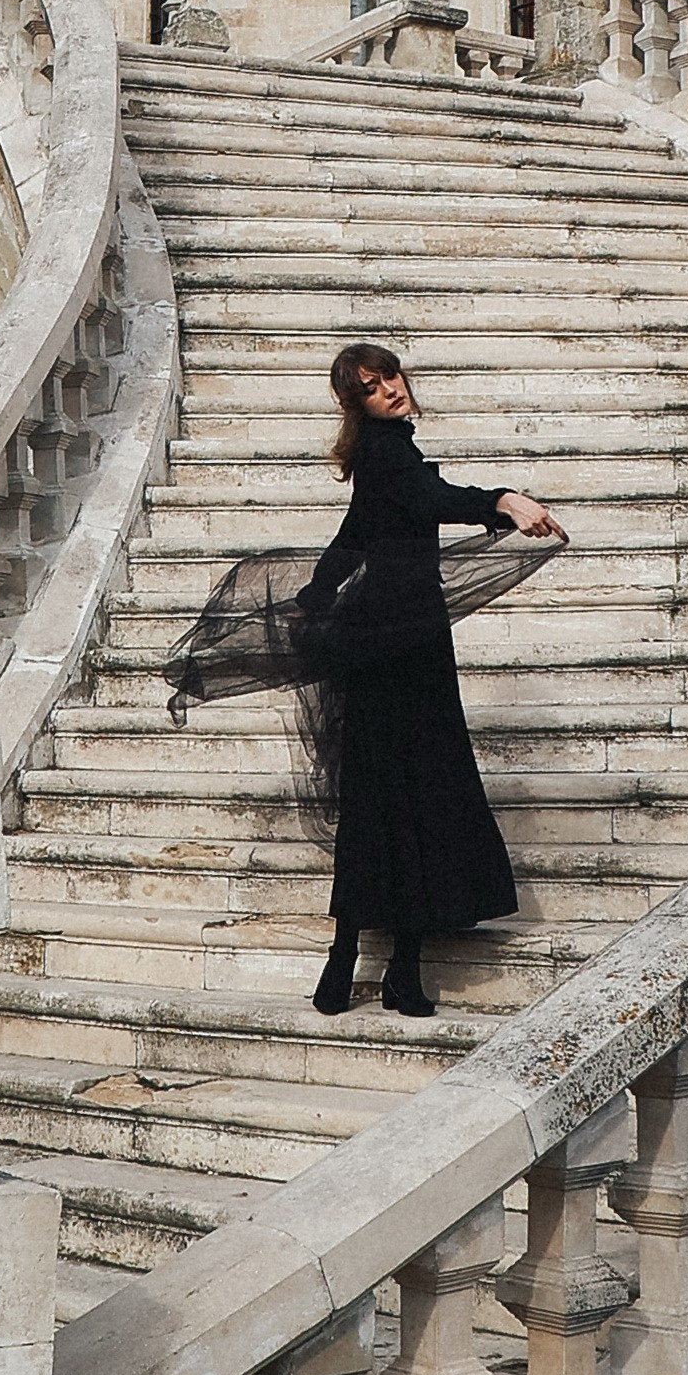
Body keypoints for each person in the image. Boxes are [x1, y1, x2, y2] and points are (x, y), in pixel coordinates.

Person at [300, 343, 564, 1019]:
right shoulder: (386, 452)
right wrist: (502, 499)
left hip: (404, 640)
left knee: (399, 795)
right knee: (405, 793)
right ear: (356, 404)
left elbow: (356, 531)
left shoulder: (387, 452)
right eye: (370, 386)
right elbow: (429, 500)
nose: (389, 389)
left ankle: (383, 966)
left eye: (389, 375)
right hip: (395, 642)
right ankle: (365, 961)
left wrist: (317, 591)